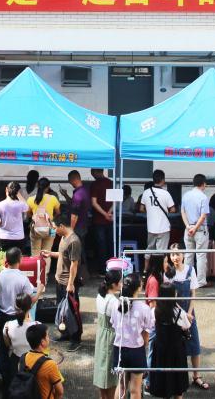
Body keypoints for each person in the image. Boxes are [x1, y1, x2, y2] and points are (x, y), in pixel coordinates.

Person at [0, 247, 40, 395]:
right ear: (20, 260)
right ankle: (20, 382)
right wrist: (40, 291)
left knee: (2, 348)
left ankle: (6, 380)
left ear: (6, 260)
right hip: (16, 318)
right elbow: (29, 301)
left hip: (1, 318)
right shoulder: (22, 278)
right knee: (19, 350)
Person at [168, 245, 209, 391]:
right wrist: (182, 314)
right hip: (174, 314)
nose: (175, 257)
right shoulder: (169, 273)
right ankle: (176, 378)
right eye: (172, 255)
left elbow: (193, 294)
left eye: (178, 254)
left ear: (183, 254)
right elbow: (170, 298)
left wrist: (189, 313)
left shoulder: (190, 270)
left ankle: (196, 376)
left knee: (194, 344)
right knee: (175, 347)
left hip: (189, 314)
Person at [111, 273, 154, 399]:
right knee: (135, 390)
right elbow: (146, 334)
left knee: (121, 386)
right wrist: (144, 344)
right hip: (136, 350)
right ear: (139, 288)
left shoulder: (116, 305)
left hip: (119, 348)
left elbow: (114, 326)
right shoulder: (144, 308)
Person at [42, 214, 82, 350]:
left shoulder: (74, 241)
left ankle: (76, 339)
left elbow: (74, 264)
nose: (54, 230)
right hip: (59, 281)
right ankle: (65, 334)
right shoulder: (64, 238)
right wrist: (50, 253)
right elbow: (63, 254)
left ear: (62, 226)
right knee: (62, 311)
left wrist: (70, 284)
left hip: (67, 283)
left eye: (54, 228)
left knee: (72, 312)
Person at [149, 283, 191, 399]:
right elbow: (187, 326)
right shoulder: (179, 313)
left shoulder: (155, 311)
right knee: (178, 384)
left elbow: (150, 326)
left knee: (163, 381)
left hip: (161, 349)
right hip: (176, 350)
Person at [93, 270, 123, 398]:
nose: (122, 284)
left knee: (101, 368)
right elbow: (119, 322)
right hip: (111, 336)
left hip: (101, 334)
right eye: (120, 282)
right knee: (110, 373)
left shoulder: (100, 296)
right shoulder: (114, 302)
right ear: (114, 284)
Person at [139, 170, 176, 270]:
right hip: (163, 227)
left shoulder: (146, 193)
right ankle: (160, 272)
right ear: (163, 180)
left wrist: (151, 211)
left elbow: (141, 209)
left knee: (149, 250)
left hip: (151, 227)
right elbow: (173, 209)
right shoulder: (166, 193)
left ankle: (145, 271)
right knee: (162, 252)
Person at [180, 174, 210, 288]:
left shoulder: (186, 195)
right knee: (201, 256)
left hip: (188, 229)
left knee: (188, 255)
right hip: (200, 230)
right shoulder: (203, 197)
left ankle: (187, 279)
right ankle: (201, 281)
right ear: (203, 184)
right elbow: (203, 216)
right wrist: (195, 228)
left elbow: (183, 212)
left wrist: (188, 226)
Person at [22, 323, 64, 399]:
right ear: (42, 342)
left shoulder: (23, 358)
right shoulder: (50, 364)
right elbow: (60, 392)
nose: (49, 338)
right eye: (47, 336)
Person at [28, 177, 60, 271]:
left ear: (37, 186)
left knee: (35, 253)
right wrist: (50, 219)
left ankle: (36, 275)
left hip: (36, 229)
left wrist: (35, 217)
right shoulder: (53, 198)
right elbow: (58, 212)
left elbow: (28, 214)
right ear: (48, 187)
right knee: (47, 252)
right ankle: (44, 276)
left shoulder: (30, 199)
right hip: (51, 229)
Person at [90, 169, 114, 270]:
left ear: (95, 172)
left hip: (98, 220)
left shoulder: (95, 184)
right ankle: (112, 267)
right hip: (110, 219)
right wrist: (109, 212)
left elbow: (94, 203)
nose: (92, 175)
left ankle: (103, 269)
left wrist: (104, 214)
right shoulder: (111, 183)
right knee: (111, 243)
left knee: (101, 245)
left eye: (92, 173)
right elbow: (115, 201)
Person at [0, 181, 30, 251]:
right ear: (17, 192)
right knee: (17, 257)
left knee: (4, 256)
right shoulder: (20, 204)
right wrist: (19, 194)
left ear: (6, 189)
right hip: (18, 237)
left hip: (4, 236)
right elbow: (27, 208)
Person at [3, 292, 38, 361]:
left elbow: (8, 344)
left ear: (15, 307)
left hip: (15, 360)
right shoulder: (37, 325)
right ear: (30, 306)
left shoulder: (7, 326)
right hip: (33, 362)